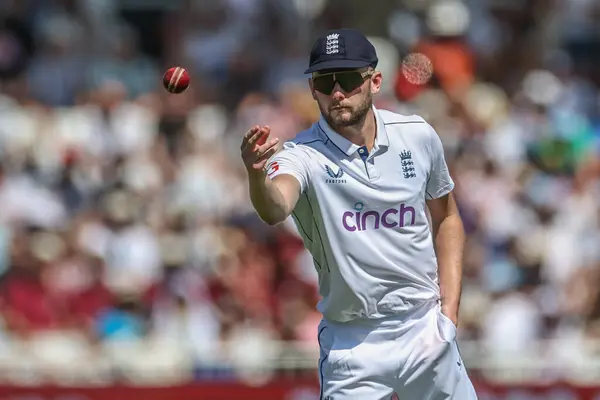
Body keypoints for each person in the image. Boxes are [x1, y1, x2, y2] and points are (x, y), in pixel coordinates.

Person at [240, 28, 477, 400]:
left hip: (424, 326)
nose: (337, 93)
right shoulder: (301, 155)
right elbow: (274, 207)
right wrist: (257, 176)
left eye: (348, 80)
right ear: (312, 89)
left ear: (375, 81)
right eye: (324, 82)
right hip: (353, 344)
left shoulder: (417, 136)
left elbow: (447, 217)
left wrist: (449, 312)